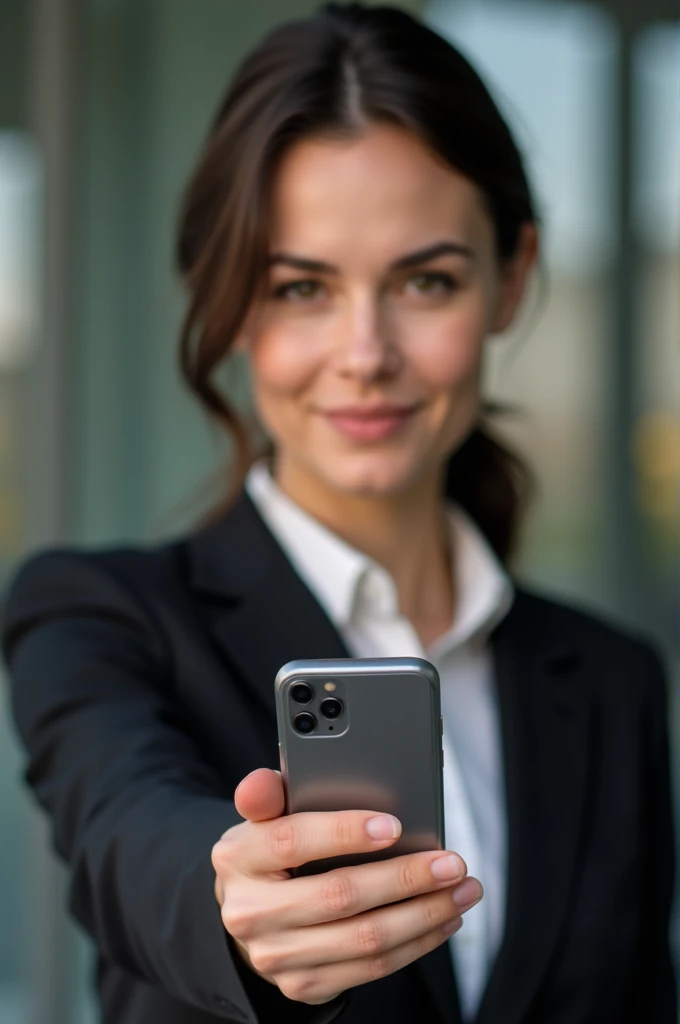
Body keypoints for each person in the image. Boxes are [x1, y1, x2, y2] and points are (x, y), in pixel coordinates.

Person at [1, 5, 675, 1023]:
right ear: (226, 302)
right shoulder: (99, 615)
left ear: (510, 279)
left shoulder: (612, 680)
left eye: (425, 280)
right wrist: (226, 893)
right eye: (302, 287)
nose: (365, 352)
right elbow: (126, 828)